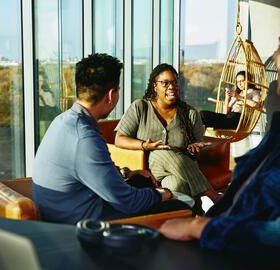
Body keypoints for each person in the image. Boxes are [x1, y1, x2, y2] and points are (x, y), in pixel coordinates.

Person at [32, 54, 187, 225]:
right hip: (81, 226)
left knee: (140, 181)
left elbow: (89, 171)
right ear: (111, 95)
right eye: (119, 90)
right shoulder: (84, 137)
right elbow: (128, 202)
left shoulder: (64, 120)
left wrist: (128, 174)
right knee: (178, 207)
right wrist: (162, 194)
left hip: (65, 209)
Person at [159, 110, 280, 257]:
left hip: (233, 247)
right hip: (218, 236)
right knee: (170, 159)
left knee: (177, 175)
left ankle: (198, 208)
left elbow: (273, 233)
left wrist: (198, 226)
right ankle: (206, 201)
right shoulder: (273, 139)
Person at [115, 63, 220, 208]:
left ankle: (192, 216)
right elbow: (119, 139)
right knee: (160, 152)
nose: (171, 87)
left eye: (175, 82)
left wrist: (194, 148)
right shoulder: (140, 107)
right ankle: (214, 197)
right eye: (165, 83)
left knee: (177, 185)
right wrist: (145, 145)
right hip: (149, 166)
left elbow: (197, 149)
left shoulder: (190, 114)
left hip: (180, 170)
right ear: (155, 86)